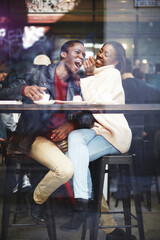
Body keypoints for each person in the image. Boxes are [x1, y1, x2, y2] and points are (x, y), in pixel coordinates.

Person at [60, 41, 134, 240]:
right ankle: (85, 203)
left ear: (116, 60)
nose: (100, 55)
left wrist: (89, 75)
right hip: (98, 130)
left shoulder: (112, 74)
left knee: (70, 160)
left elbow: (95, 103)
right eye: (101, 51)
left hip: (114, 134)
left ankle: (85, 206)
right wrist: (87, 75)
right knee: (75, 140)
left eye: (106, 54)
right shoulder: (97, 73)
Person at [6, 40, 88, 209]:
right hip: (34, 137)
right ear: (64, 54)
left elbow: (89, 116)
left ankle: (104, 224)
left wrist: (72, 124)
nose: (82, 56)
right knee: (67, 169)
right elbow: (4, 90)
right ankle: (37, 198)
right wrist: (23, 90)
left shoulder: (78, 83)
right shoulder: (36, 73)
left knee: (84, 168)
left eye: (84, 54)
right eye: (78, 52)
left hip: (61, 139)